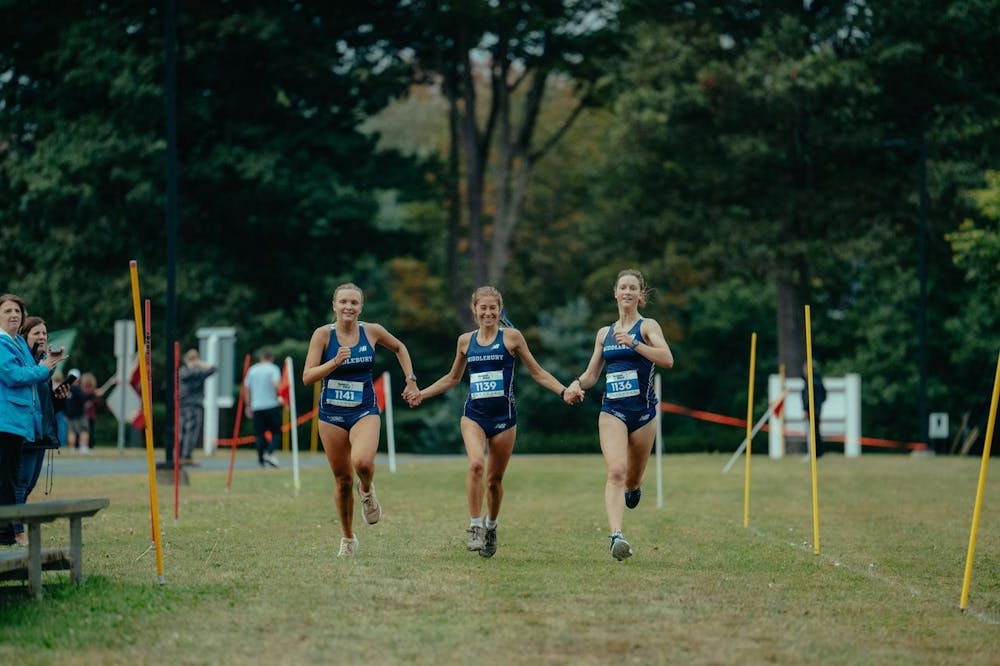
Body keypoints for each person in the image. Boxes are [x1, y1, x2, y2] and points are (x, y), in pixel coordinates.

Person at [406, 286, 580, 558]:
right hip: (474, 416)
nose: (488, 312)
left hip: (504, 420)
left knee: (494, 481)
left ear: (500, 310)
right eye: (482, 308)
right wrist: (422, 394)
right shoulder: (465, 341)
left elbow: (537, 373)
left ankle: (491, 526)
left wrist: (563, 391)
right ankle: (475, 526)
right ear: (474, 310)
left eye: (493, 308)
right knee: (476, 464)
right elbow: (452, 379)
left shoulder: (512, 338)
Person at [302, 283, 420, 558]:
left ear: (361, 307)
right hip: (331, 414)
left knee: (363, 463)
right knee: (342, 480)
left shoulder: (372, 331)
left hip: (364, 410)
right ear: (334, 305)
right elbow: (307, 377)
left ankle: (366, 490)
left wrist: (411, 380)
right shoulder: (322, 335)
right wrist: (334, 363)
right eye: (343, 302)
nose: (348, 307)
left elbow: (399, 347)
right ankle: (348, 538)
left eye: (354, 303)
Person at [566, 269, 674, 561]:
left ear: (641, 295)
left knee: (632, 479)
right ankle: (616, 536)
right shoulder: (604, 333)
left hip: (643, 413)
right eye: (622, 287)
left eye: (633, 288)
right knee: (615, 471)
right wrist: (576, 384)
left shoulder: (648, 326)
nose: (627, 292)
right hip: (612, 411)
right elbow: (591, 375)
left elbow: (667, 359)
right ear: (615, 293)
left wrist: (635, 344)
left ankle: (634, 488)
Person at [0, 294, 62, 546]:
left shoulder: (16, 343)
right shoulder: (2, 344)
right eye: (7, 311)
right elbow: (14, 375)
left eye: (17, 311)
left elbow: (34, 371)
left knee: (12, 478)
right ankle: (6, 534)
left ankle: (8, 533)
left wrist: (50, 363)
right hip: (5, 421)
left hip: (18, 423)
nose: (14, 314)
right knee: (7, 480)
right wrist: (45, 367)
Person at [14, 316, 69, 546]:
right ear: (25, 336)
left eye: (45, 333)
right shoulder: (27, 364)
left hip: (40, 433)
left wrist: (59, 399)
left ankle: (14, 527)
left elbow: (43, 404)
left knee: (29, 485)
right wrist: (44, 368)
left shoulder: (44, 365)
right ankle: (16, 532)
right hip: (25, 431)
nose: (42, 337)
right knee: (20, 482)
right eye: (36, 333)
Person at [243, 348, 283, 469]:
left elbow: (247, 389)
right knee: (276, 431)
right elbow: (276, 384)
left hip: (257, 406)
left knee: (259, 434)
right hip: (271, 405)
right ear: (271, 358)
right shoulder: (273, 368)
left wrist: (248, 406)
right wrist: (280, 396)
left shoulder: (252, 370)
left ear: (261, 358)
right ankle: (269, 453)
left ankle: (261, 460)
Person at [178, 348, 216, 465]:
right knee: (191, 431)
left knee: (182, 431)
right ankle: (186, 456)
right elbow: (213, 369)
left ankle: (180, 455)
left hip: (182, 404)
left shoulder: (182, 370)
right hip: (193, 405)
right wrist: (200, 363)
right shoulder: (196, 372)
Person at [802, 361, 827, 458]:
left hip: (811, 411)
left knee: (811, 433)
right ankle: (819, 453)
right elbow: (825, 396)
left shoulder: (809, 382)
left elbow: (807, 397)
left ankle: (812, 454)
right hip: (818, 410)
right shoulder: (819, 380)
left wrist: (805, 409)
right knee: (816, 432)